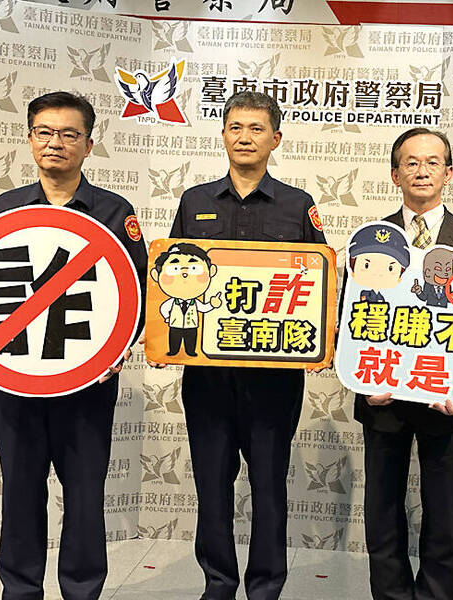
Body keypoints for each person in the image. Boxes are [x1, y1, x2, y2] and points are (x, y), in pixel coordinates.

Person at [0, 91, 147, 599]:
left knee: (84, 497)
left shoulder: (113, 210)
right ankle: (19, 590)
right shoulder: (7, 206)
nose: (55, 143)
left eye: (68, 134)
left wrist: (120, 347)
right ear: (30, 138)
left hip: (86, 383)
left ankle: (82, 590)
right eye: (44, 132)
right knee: (19, 494)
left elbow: (138, 292)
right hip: (17, 383)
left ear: (88, 144)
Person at [165, 91, 326, 600]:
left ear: (275, 139)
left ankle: (265, 586)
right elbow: (170, 276)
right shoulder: (194, 201)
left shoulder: (299, 206)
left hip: (275, 379)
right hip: (207, 377)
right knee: (212, 486)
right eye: (235, 127)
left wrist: (319, 345)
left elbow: (319, 283)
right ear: (223, 136)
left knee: (269, 487)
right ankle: (218, 582)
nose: (245, 137)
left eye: (256, 128)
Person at [354, 127, 453, 600]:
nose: (422, 170)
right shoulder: (369, 241)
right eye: (411, 162)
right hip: (383, 397)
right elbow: (352, 319)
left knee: (446, 513)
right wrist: (364, 378)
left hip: (447, 399)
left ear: (448, 173)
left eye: (432, 162)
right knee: (382, 511)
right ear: (395, 174)